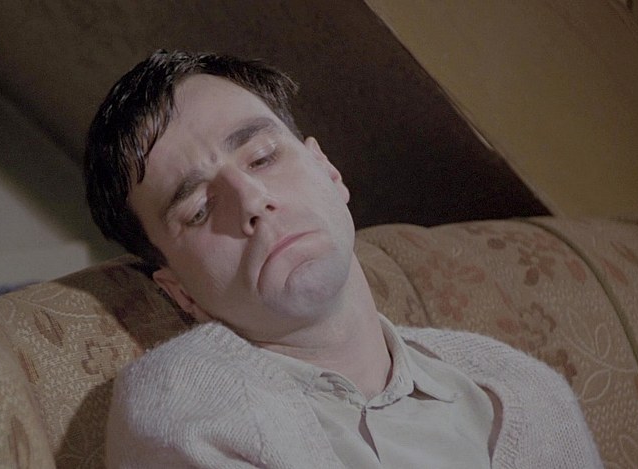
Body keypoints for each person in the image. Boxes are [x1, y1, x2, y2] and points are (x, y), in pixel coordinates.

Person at [84, 50, 602, 468]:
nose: (252, 200)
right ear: (180, 292)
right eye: (199, 209)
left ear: (328, 170)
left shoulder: (522, 390)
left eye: (262, 157)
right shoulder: (183, 410)